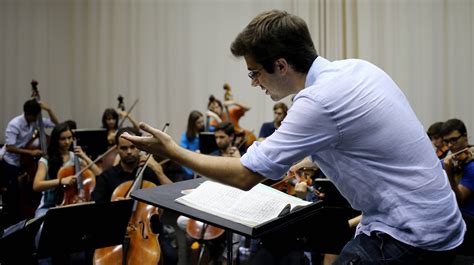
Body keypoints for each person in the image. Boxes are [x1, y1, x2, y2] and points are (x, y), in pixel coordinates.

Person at [123, 10, 465, 264]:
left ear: (282, 65)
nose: (254, 83)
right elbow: (343, 141)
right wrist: (294, 161)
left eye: (255, 73)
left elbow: (244, 175)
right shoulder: (356, 69)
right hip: (444, 222)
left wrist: (172, 149)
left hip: (410, 236)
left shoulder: (317, 102)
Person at [91, 127, 177, 265]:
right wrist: (112, 207)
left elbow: (174, 195)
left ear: (139, 147)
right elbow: (95, 207)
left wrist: (158, 170)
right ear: (117, 149)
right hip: (114, 230)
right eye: (124, 148)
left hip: (147, 232)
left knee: (171, 256)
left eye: (133, 147)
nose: (129, 152)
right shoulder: (107, 177)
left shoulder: (149, 172)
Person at [0, 98, 59, 227]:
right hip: (12, 162)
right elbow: (9, 147)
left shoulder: (35, 121)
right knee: (14, 195)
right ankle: (12, 224)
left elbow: (56, 124)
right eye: (36, 116)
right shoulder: (14, 124)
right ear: (29, 115)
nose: (38, 118)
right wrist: (31, 152)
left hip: (26, 163)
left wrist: (48, 109)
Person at [32, 122, 102, 217]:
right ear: (56, 140)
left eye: (69, 138)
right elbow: (36, 185)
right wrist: (61, 181)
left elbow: (98, 174)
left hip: (72, 204)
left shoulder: (75, 158)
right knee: (42, 229)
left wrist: (84, 156)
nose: (67, 142)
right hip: (48, 206)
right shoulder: (45, 160)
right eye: (63, 139)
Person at [179, 110, 205, 180]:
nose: (202, 124)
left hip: (204, 162)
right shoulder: (185, 136)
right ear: (192, 124)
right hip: (190, 164)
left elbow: (220, 129)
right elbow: (182, 152)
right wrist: (194, 153)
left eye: (202, 121)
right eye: (199, 123)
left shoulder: (207, 131)